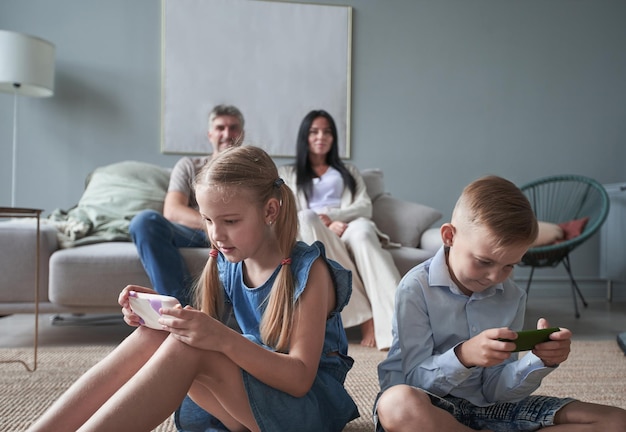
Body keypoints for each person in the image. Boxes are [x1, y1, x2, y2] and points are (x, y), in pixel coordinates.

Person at [27, 146, 359, 432]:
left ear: (270, 211)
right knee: (159, 334)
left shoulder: (309, 271)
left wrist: (221, 337)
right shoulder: (231, 261)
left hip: (308, 411)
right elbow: (213, 338)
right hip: (254, 401)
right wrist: (164, 314)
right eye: (209, 221)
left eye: (230, 221)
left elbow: (299, 379)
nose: (216, 235)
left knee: (191, 347)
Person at [375, 175, 626, 432]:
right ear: (449, 236)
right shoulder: (416, 287)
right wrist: (463, 356)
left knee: (617, 421)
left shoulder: (511, 296)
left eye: (509, 265)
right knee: (396, 404)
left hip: (491, 410)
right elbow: (412, 380)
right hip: (430, 405)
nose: (495, 277)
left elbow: (497, 391)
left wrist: (538, 361)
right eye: (484, 261)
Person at [278, 109, 402, 350]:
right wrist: (324, 223)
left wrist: (333, 217)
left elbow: (364, 207)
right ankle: (366, 318)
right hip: (312, 227)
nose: (321, 137)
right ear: (305, 137)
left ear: (334, 138)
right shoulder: (287, 174)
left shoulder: (349, 172)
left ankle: (400, 323)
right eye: (314, 132)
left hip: (349, 224)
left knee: (364, 234)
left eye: (327, 132)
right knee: (306, 217)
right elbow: (289, 212)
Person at [129, 104, 245, 306]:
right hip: (192, 230)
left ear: (241, 134)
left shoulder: (251, 170)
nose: (227, 133)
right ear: (210, 134)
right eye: (220, 128)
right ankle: (179, 309)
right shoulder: (189, 166)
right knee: (144, 221)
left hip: (237, 231)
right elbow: (172, 211)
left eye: (233, 128)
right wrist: (212, 225)